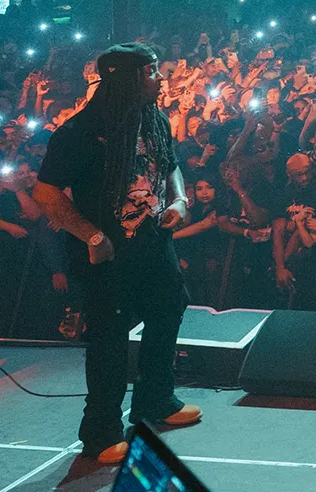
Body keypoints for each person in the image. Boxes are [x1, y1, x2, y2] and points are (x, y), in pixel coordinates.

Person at [32, 44, 201, 466]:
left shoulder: (154, 119)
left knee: (169, 309)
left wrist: (179, 201)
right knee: (109, 335)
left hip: (154, 243)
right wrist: (90, 235)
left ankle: (156, 400)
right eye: (152, 72)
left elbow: (170, 167)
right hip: (107, 253)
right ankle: (101, 430)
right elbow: (46, 194)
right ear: (129, 79)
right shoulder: (80, 132)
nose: (161, 79)